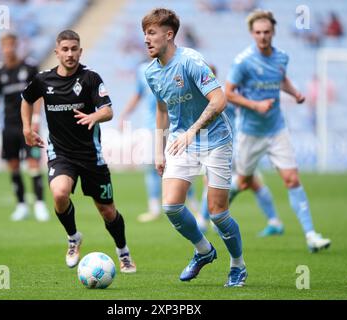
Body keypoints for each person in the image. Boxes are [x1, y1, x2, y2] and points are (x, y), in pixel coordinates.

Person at [142, 8, 247, 287]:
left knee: (218, 213)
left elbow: (219, 100)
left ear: (169, 34)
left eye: (151, 33)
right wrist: (159, 149)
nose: (146, 39)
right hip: (182, 141)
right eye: (145, 33)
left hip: (215, 139)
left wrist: (191, 131)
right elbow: (162, 111)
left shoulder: (191, 61)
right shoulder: (151, 73)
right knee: (172, 206)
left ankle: (238, 266)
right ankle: (203, 251)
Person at [20, 30, 136, 272]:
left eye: (74, 49)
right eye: (65, 49)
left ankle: (123, 252)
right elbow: (26, 98)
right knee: (60, 194)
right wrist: (27, 128)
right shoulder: (43, 80)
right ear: (57, 52)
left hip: (91, 156)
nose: (70, 54)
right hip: (61, 154)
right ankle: (73, 238)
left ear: (80, 51)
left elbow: (108, 110)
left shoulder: (91, 78)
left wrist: (94, 115)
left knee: (107, 210)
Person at [225, 9, 331, 252]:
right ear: (252, 34)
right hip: (250, 132)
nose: (263, 36)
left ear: (273, 32)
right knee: (242, 182)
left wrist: (295, 93)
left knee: (292, 179)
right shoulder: (243, 62)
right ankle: (219, 207)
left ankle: (311, 235)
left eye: (267, 32)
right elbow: (228, 93)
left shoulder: (282, 57)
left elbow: (280, 79)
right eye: (258, 32)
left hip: (276, 129)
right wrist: (255, 105)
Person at [197, 66, 283, 237]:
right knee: (252, 182)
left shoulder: (209, 95)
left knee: (212, 183)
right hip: (234, 144)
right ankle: (274, 221)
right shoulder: (220, 92)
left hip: (223, 145)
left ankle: (204, 220)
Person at [118, 59, 201, 223]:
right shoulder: (143, 70)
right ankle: (154, 208)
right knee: (152, 167)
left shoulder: (179, 65)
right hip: (152, 126)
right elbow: (138, 94)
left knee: (181, 168)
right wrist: (124, 114)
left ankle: (194, 207)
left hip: (177, 127)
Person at [0, 32, 49, 222]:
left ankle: (39, 205)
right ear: (1, 48)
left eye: (11, 45)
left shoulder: (29, 67)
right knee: (13, 165)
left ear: (16, 45)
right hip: (9, 125)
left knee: (33, 164)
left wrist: (36, 117)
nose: (8, 49)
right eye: (5, 46)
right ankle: (21, 205)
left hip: (28, 124)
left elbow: (39, 94)